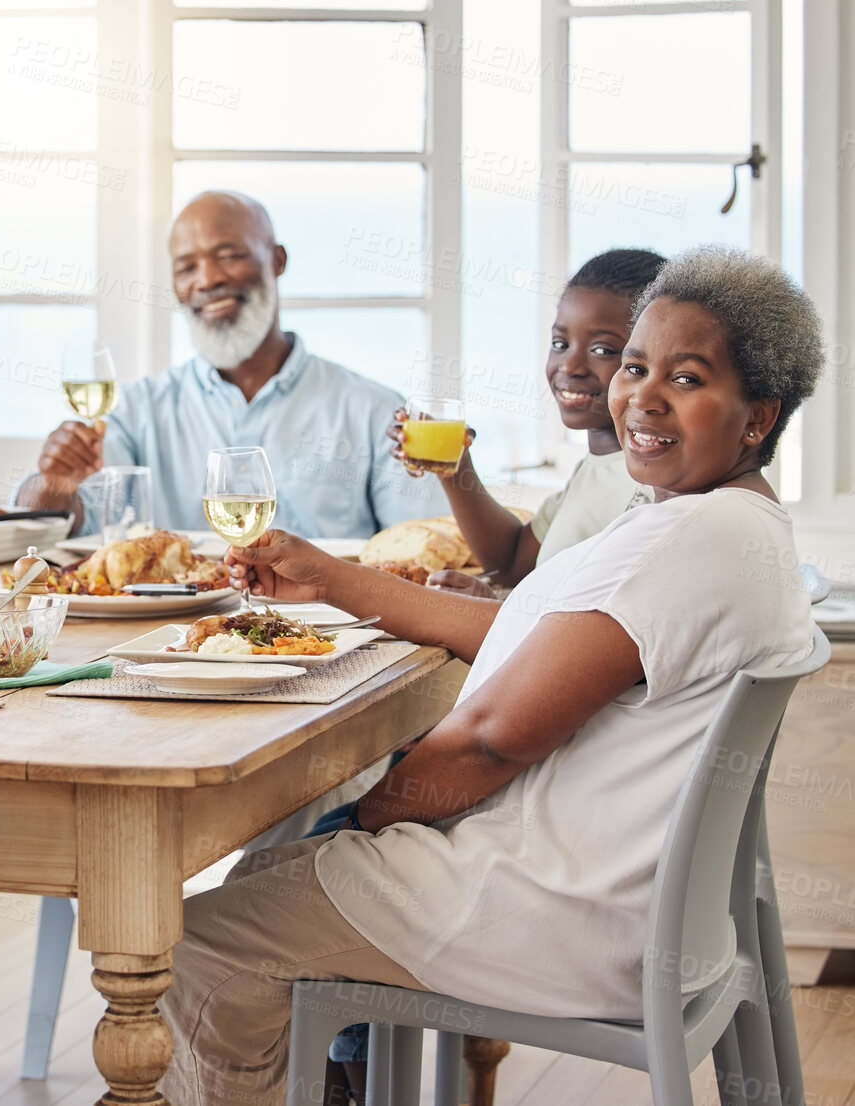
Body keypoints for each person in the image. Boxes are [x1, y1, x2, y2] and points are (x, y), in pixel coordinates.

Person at [159, 245, 822, 1105]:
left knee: (197, 938)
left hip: (555, 912)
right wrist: (327, 577)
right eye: (636, 367)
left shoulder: (685, 540)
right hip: (627, 904)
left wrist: (364, 817)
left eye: (686, 380)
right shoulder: (727, 526)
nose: (641, 398)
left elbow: (488, 740)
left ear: (757, 416)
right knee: (265, 875)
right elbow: (525, 631)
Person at [15, 190, 445, 538]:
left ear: (277, 260)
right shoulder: (135, 412)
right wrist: (54, 483)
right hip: (170, 640)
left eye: (228, 255)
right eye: (187, 267)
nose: (207, 279)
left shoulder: (372, 410)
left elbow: (424, 546)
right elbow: (54, 528)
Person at [393, 248, 665, 598]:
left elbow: (601, 622)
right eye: (560, 343)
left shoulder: (655, 484)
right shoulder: (596, 466)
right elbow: (511, 562)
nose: (570, 366)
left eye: (602, 350)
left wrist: (496, 611)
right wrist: (455, 467)